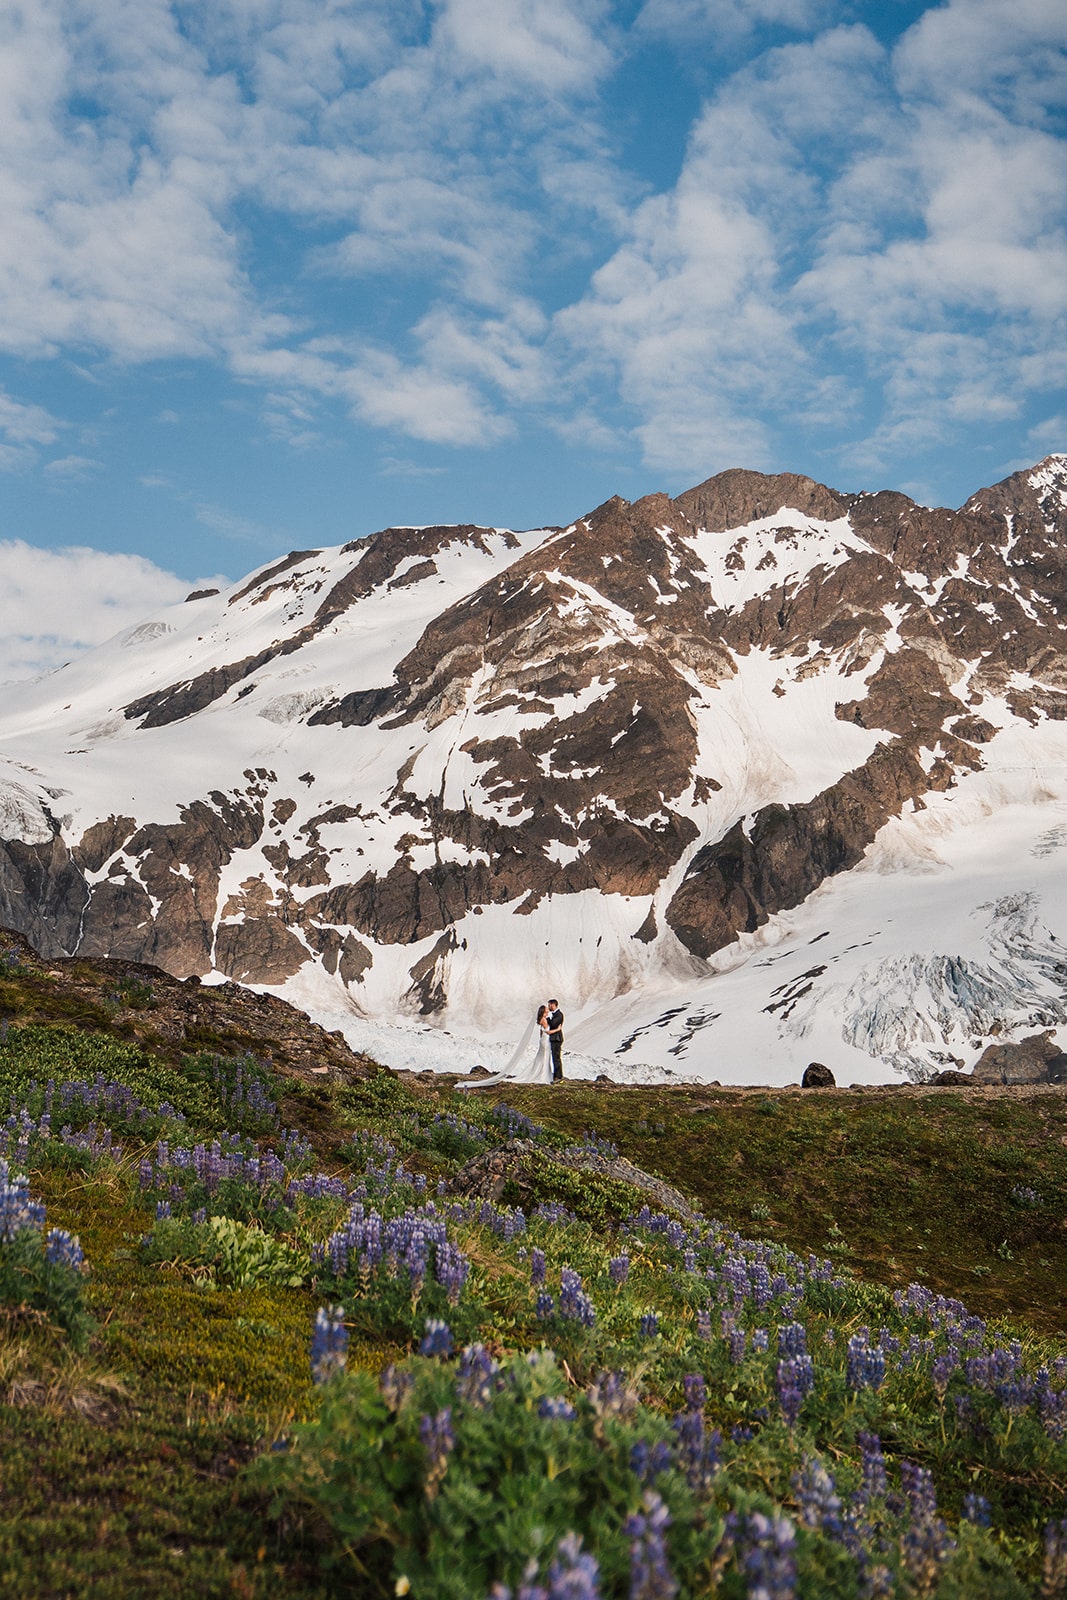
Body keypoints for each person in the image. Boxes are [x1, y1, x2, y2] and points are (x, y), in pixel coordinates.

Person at [457, 1003, 552, 1088]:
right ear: (543, 1012)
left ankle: (541, 1073)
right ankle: (543, 1075)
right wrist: (557, 1029)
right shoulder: (544, 1020)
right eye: (546, 1010)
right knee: (544, 1057)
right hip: (546, 1040)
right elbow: (547, 1031)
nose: (548, 1010)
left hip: (543, 1039)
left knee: (542, 1057)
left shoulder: (541, 1019)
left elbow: (541, 1032)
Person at [546, 998, 564, 1082]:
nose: (548, 1006)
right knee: (555, 1057)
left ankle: (558, 1076)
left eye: (549, 1005)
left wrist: (548, 1019)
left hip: (556, 1038)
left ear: (554, 1005)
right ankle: (557, 1075)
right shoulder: (555, 1014)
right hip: (554, 1038)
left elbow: (553, 1024)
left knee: (556, 1057)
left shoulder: (559, 1014)